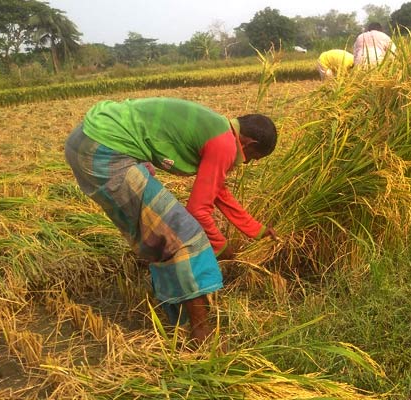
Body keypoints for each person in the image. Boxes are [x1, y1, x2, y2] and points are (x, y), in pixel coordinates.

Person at [64, 97, 279, 344]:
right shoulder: (226, 145)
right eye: (251, 158)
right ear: (248, 143)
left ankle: (176, 310)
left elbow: (218, 190)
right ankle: (201, 332)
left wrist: (258, 231)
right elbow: (198, 210)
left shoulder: (218, 130)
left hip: (90, 137)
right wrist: (221, 247)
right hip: (104, 150)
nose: (245, 163)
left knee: (159, 231)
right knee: (183, 234)